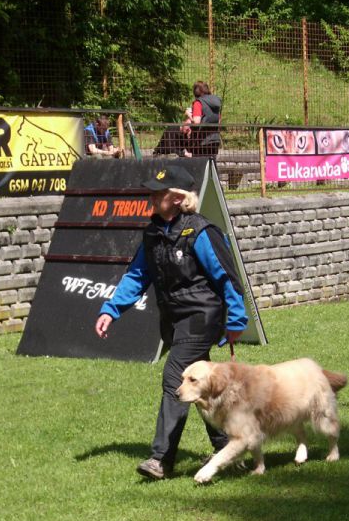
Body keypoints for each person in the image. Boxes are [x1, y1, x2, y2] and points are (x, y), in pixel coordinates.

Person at [94, 163, 248, 480]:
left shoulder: (202, 232)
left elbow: (228, 278)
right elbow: (137, 275)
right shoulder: (153, 234)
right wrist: (111, 310)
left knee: (175, 378)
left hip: (202, 316)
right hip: (175, 319)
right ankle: (229, 448)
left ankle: (161, 459)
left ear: (177, 198)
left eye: (159, 192)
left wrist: (236, 318)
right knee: (205, 387)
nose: (152, 196)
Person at [180, 81, 222, 159]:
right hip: (215, 140)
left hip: (202, 142)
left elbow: (196, 122)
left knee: (199, 166)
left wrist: (189, 114)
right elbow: (219, 121)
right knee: (211, 164)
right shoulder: (215, 103)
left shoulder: (198, 103)